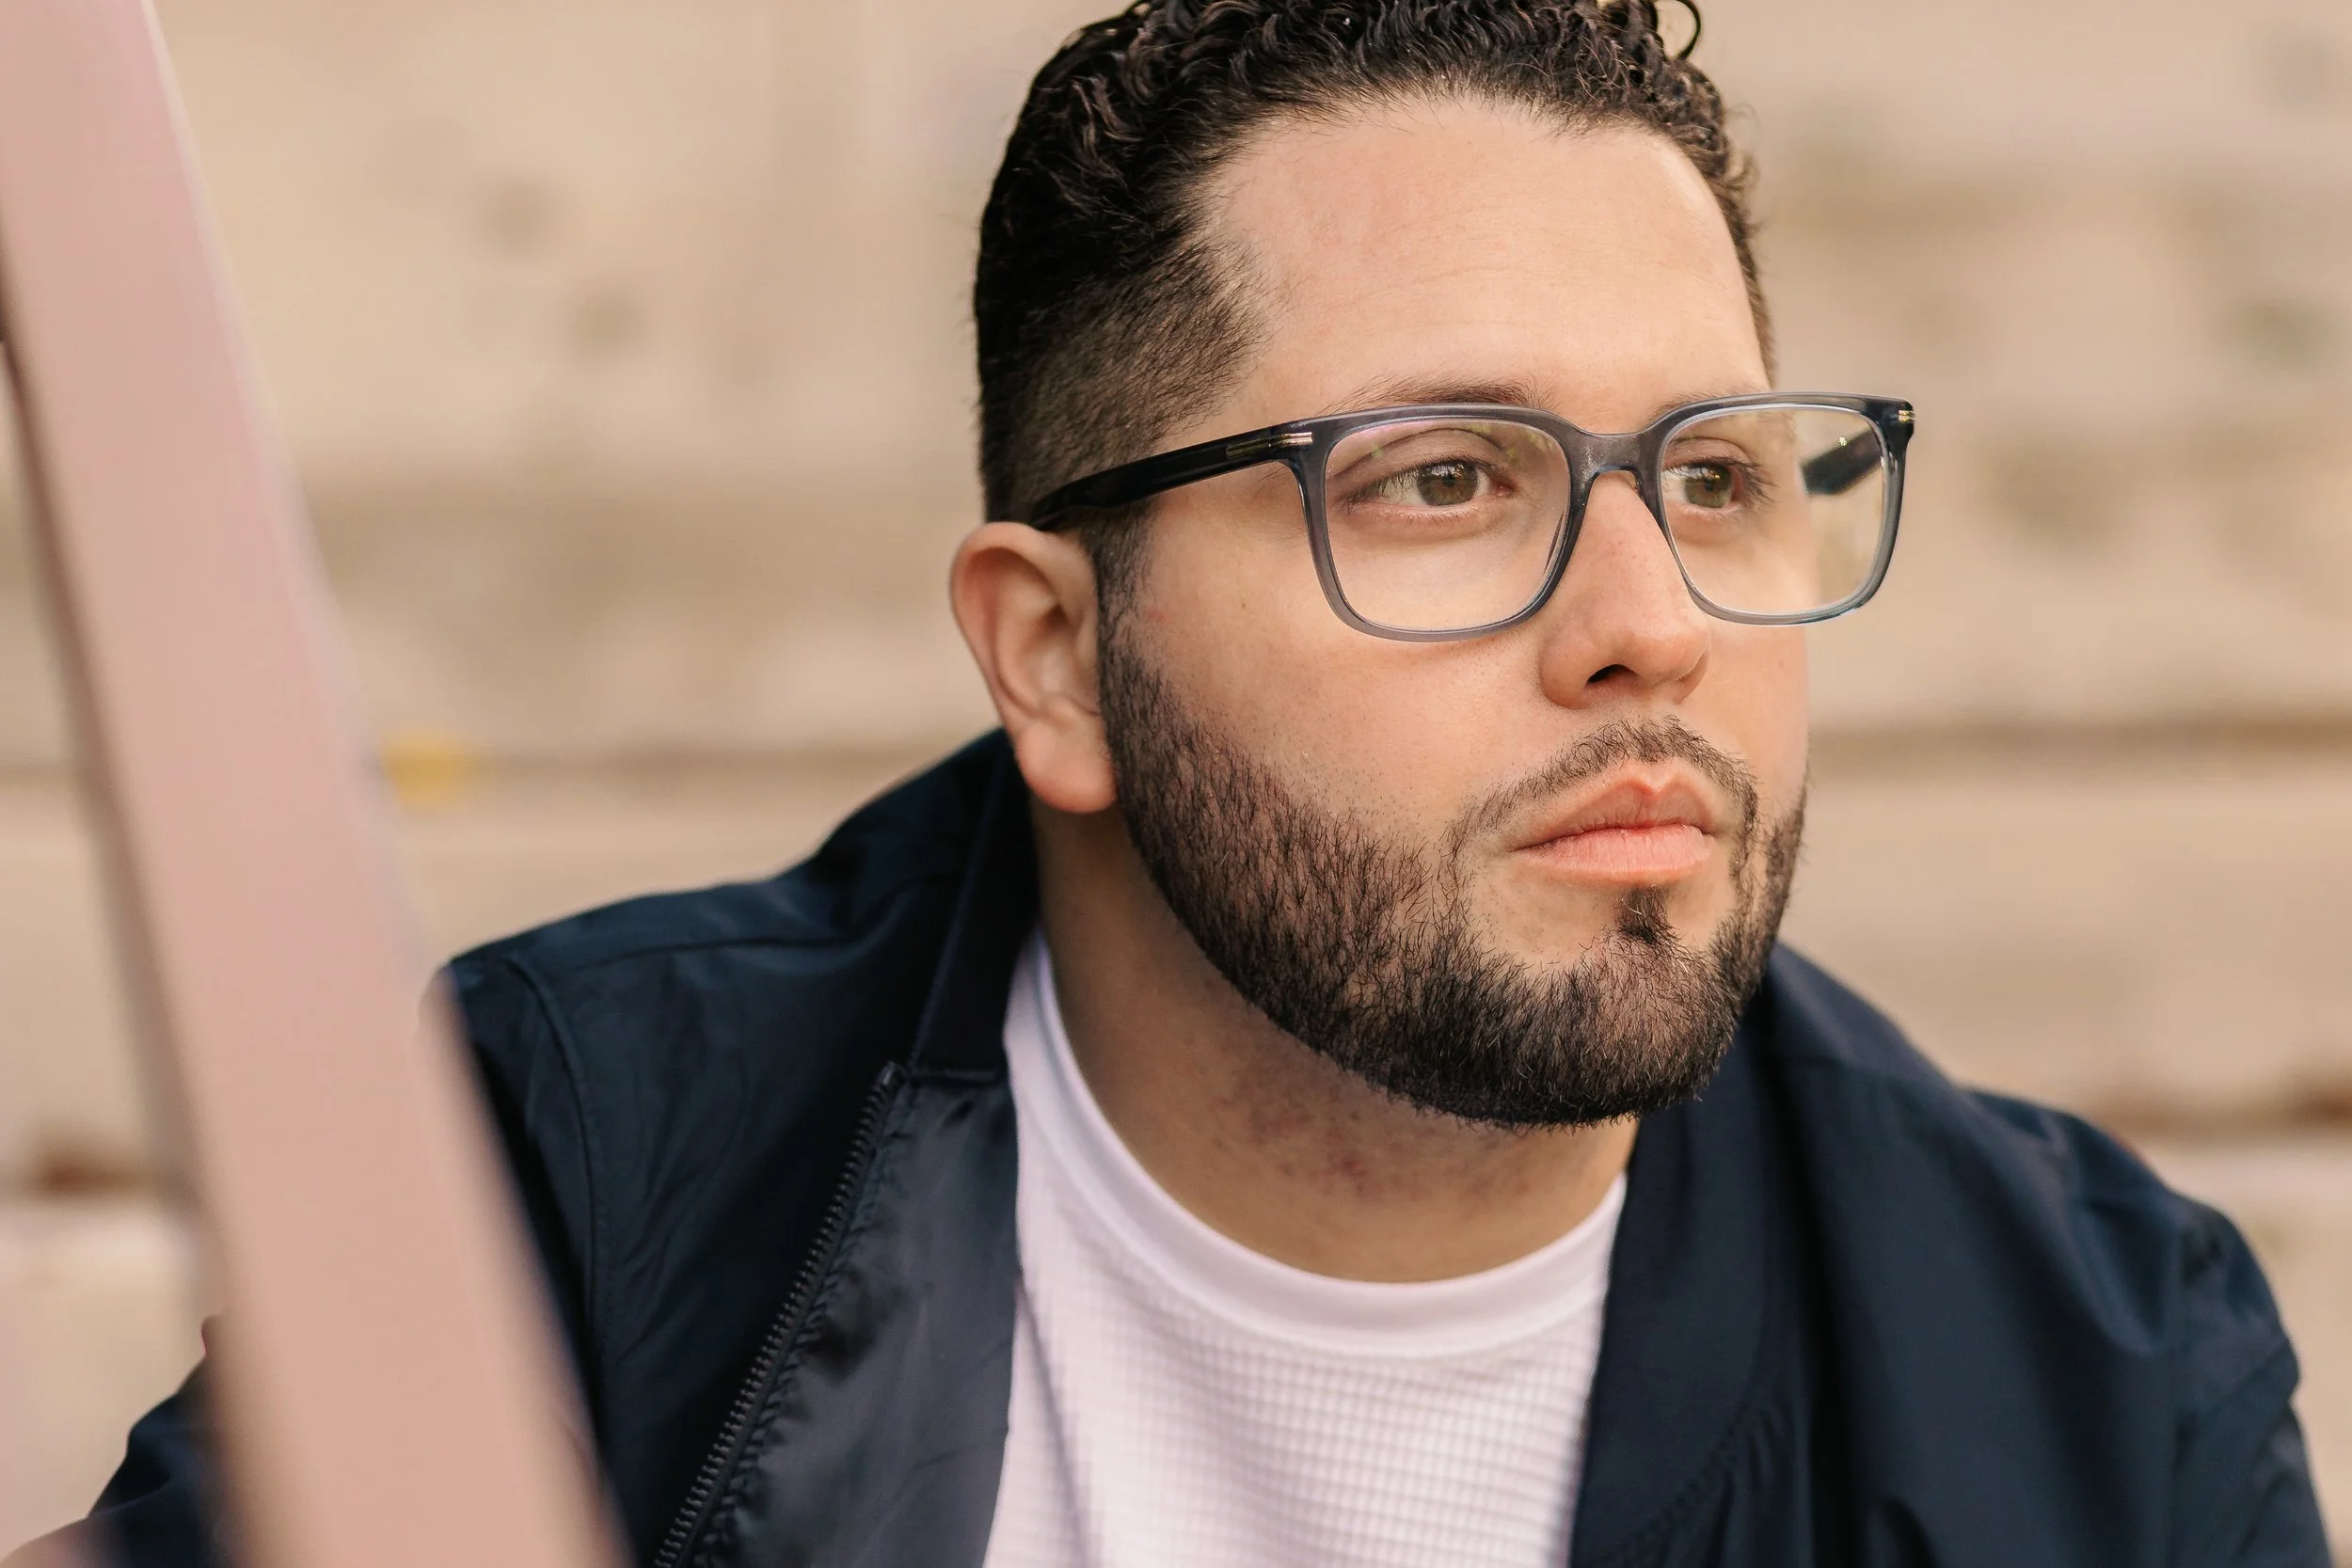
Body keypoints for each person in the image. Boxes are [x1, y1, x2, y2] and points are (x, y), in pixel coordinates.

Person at [48, 3, 2328, 1565]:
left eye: (1715, 475)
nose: (1650, 616)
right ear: (1056, 653)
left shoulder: (2079, 1365)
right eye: (1445, 477)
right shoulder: (598, 1163)